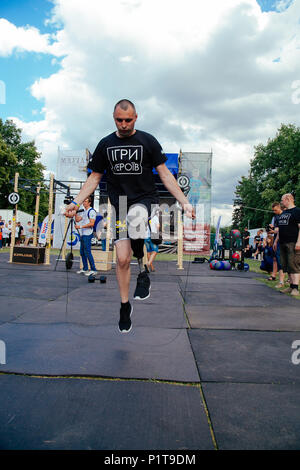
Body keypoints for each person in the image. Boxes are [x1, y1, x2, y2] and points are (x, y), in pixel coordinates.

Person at [65, 99, 195, 333]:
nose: (123, 124)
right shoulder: (105, 144)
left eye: (128, 120)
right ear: (113, 118)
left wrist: (184, 202)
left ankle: (142, 266)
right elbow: (94, 178)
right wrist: (75, 202)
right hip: (119, 204)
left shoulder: (148, 141)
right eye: (119, 120)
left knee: (136, 218)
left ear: (136, 117)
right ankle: (125, 304)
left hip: (144, 198)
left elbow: (165, 175)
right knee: (122, 258)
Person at [276, 193, 300, 296]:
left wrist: (299, 242)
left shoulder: (297, 211)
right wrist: (276, 240)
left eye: (282, 200)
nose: (281, 202)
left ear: (288, 199)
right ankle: (290, 287)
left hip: (292, 242)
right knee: (286, 265)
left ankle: (296, 288)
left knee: (293, 265)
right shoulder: (284, 213)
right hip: (282, 242)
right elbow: (280, 228)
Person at [75, 196, 97, 276]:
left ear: (89, 203)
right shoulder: (84, 211)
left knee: (87, 252)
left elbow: (92, 224)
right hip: (83, 234)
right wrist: (75, 212)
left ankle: (94, 270)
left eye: (86, 201)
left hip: (87, 234)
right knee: (82, 252)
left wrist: (80, 227)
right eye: (83, 201)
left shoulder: (91, 211)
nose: (84, 202)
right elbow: (78, 220)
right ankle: (85, 268)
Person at [269, 202, 285, 287]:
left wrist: (274, 231)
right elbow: (278, 229)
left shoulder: (284, 216)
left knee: (282, 260)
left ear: (279, 207)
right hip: (277, 239)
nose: (274, 211)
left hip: (284, 241)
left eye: (275, 210)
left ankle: (284, 281)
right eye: (273, 210)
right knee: (277, 259)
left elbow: (282, 230)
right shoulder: (275, 217)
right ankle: (279, 279)